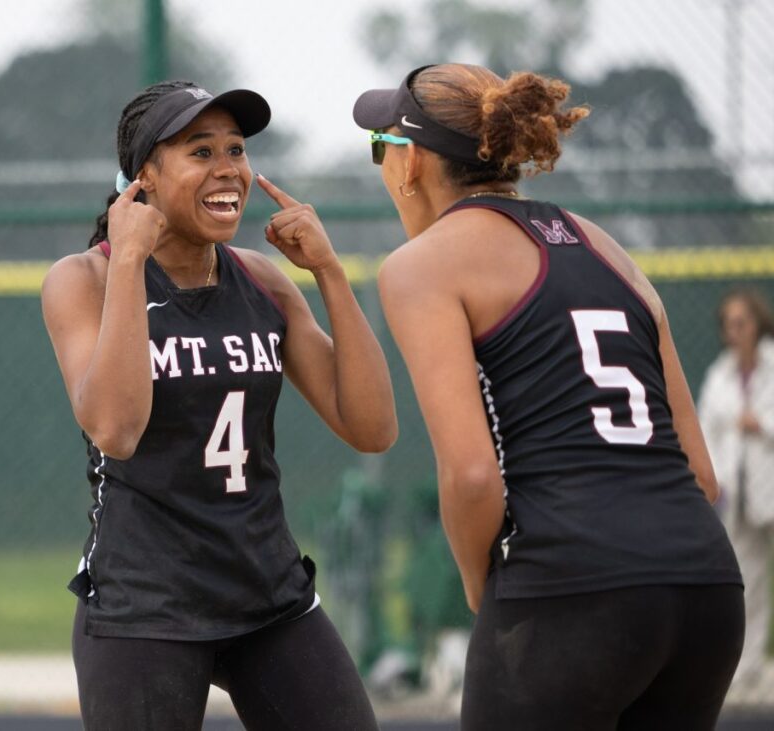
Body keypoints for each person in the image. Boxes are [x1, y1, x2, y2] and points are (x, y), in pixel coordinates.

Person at [358, 63, 744, 729]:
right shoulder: (609, 250)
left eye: (380, 146)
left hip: (571, 588)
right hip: (704, 583)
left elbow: (473, 473)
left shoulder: (422, 265)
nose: (382, 164)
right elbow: (701, 474)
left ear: (412, 161)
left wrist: (489, 590)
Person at [41, 79, 396, 731]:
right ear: (144, 175)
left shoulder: (260, 280)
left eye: (236, 149)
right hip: (147, 599)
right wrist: (129, 261)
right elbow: (115, 429)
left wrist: (330, 273)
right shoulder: (83, 278)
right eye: (200, 152)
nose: (228, 167)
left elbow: (371, 427)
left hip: (267, 590)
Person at [699, 288, 774, 693]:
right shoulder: (718, 374)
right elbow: (705, 428)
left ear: (756, 323)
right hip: (739, 496)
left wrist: (761, 424)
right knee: (749, 580)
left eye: (741, 322)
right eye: (728, 324)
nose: (734, 331)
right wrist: (717, 480)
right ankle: (749, 668)